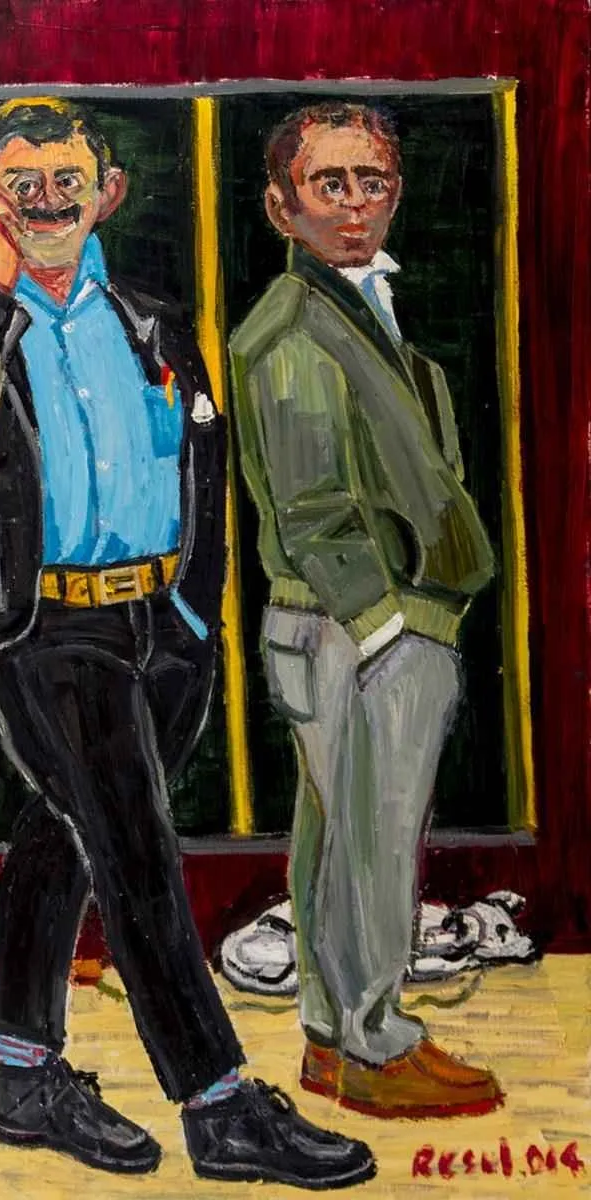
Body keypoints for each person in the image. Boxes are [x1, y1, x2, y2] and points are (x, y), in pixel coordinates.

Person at [0, 98, 374, 1190]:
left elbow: (198, 465)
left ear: (107, 192)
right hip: (42, 626)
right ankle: (217, 1101)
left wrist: (194, 616)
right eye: (22, 185)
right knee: (135, 846)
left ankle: (19, 1071)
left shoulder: (152, 318)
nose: (48, 202)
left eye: (68, 180)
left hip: (163, 626)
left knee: (66, 832)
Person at [230, 103, 501, 1120]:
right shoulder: (292, 326)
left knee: (341, 839)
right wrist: (383, 627)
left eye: (372, 182)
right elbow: (310, 505)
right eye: (327, 184)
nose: (353, 205)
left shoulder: (354, 307)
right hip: (354, 624)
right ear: (281, 206)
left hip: (348, 624)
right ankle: (372, 1045)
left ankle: (332, 1038)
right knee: (371, 843)